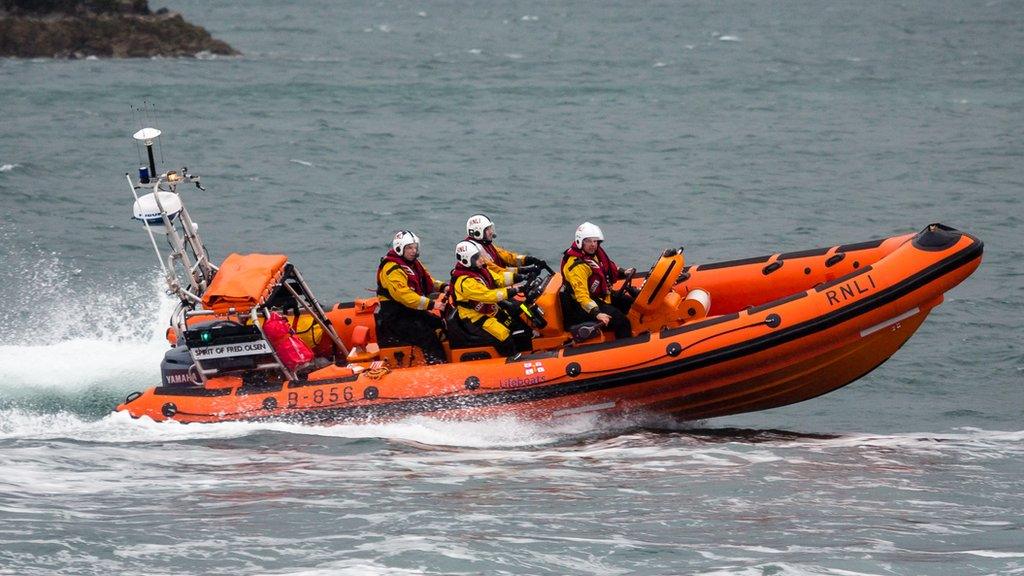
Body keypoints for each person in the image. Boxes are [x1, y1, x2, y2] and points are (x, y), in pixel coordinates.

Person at [375, 230, 447, 364]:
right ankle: (437, 365)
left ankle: (444, 360)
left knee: (439, 324)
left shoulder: (413, 263)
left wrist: (444, 287)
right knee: (427, 335)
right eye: (409, 248)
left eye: (415, 247)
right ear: (399, 248)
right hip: (395, 318)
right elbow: (404, 296)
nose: (413, 251)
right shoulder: (392, 268)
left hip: (411, 312)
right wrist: (432, 304)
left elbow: (428, 281)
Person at [448, 240, 532, 356]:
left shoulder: (481, 270)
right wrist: (514, 290)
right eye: (477, 258)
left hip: (490, 310)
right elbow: (488, 296)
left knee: (516, 324)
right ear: (466, 260)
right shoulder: (465, 282)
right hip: (476, 318)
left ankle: (526, 352)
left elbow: (498, 279)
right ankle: (511, 361)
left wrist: (520, 277)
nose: (482, 259)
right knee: (503, 334)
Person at [560, 222, 636, 339]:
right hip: (582, 306)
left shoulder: (591, 255)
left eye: (595, 241)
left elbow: (604, 267)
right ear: (580, 241)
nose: (593, 245)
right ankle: (626, 350)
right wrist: (597, 314)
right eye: (589, 241)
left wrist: (623, 272)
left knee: (629, 303)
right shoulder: (577, 267)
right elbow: (582, 297)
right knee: (622, 322)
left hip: (598, 296)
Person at [464, 214, 548, 284]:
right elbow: (497, 271)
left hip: (499, 284)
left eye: (490, 228)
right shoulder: (474, 252)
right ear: (478, 232)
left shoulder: (486, 244)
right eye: (487, 229)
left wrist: (529, 260)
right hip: (491, 289)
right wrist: (524, 273)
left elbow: (508, 257)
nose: (491, 232)